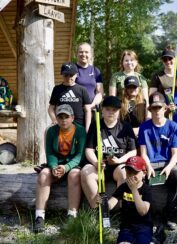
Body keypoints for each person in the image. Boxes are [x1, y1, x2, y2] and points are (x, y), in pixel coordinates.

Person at [34, 104, 86, 233]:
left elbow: (80, 155)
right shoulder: (51, 131)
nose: (63, 120)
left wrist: (66, 167)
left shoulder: (80, 131)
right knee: (43, 175)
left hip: (73, 164)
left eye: (66, 117)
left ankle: (71, 215)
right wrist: (53, 167)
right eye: (60, 117)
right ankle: (39, 216)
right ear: (56, 118)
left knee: (74, 175)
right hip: (56, 164)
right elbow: (50, 153)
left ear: (72, 118)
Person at [138, 92, 177, 230]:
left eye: (159, 107)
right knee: (140, 178)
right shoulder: (144, 127)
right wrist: (148, 166)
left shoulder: (173, 126)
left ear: (165, 108)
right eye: (154, 108)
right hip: (150, 162)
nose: (157, 110)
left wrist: (169, 167)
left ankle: (169, 215)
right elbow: (143, 152)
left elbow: (176, 154)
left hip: (167, 162)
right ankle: (149, 215)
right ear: (150, 110)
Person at [81, 96, 137, 208]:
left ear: (119, 111)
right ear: (102, 110)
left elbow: (133, 152)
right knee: (85, 171)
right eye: (108, 109)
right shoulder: (95, 124)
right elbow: (89, 150)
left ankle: (116, 208)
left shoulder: (125, 127)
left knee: (124, 172)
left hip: (118, 165)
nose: (111, 112)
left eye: (114, 110)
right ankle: (96, 209)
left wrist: (119, 160)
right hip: (100, 166)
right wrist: (96, 162)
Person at [104, 156, 165, 244]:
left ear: (144, 173)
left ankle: (156, 240)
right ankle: (132, 242)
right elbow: (111, 204)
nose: (131, 176)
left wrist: (134, 190)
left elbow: (143, 211)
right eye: (128, 172)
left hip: (143, 227)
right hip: (127, 227)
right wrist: (103, 203)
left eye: (135, 173)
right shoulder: (123, 187)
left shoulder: (146, 190)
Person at [49, 62, 92, 132]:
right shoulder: (57, 89)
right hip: (62, 126)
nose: (69, 78)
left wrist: (87, 128)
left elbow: (88, 110)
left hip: (79, 126)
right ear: (62, 75)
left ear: (76, 75)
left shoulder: (82, 89)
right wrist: (54, 120)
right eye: (66, 75)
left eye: (71, 75)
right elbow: (51, 108)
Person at [75, 42, 104, 109]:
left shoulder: (96, 70)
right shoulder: (72, 69)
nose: (83, 54)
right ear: (77, 54)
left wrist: (92, 105)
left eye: (86, 52)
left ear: (91, 55)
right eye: (81, 52)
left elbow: (99, 93)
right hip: (76, 110)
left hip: (92, 109)